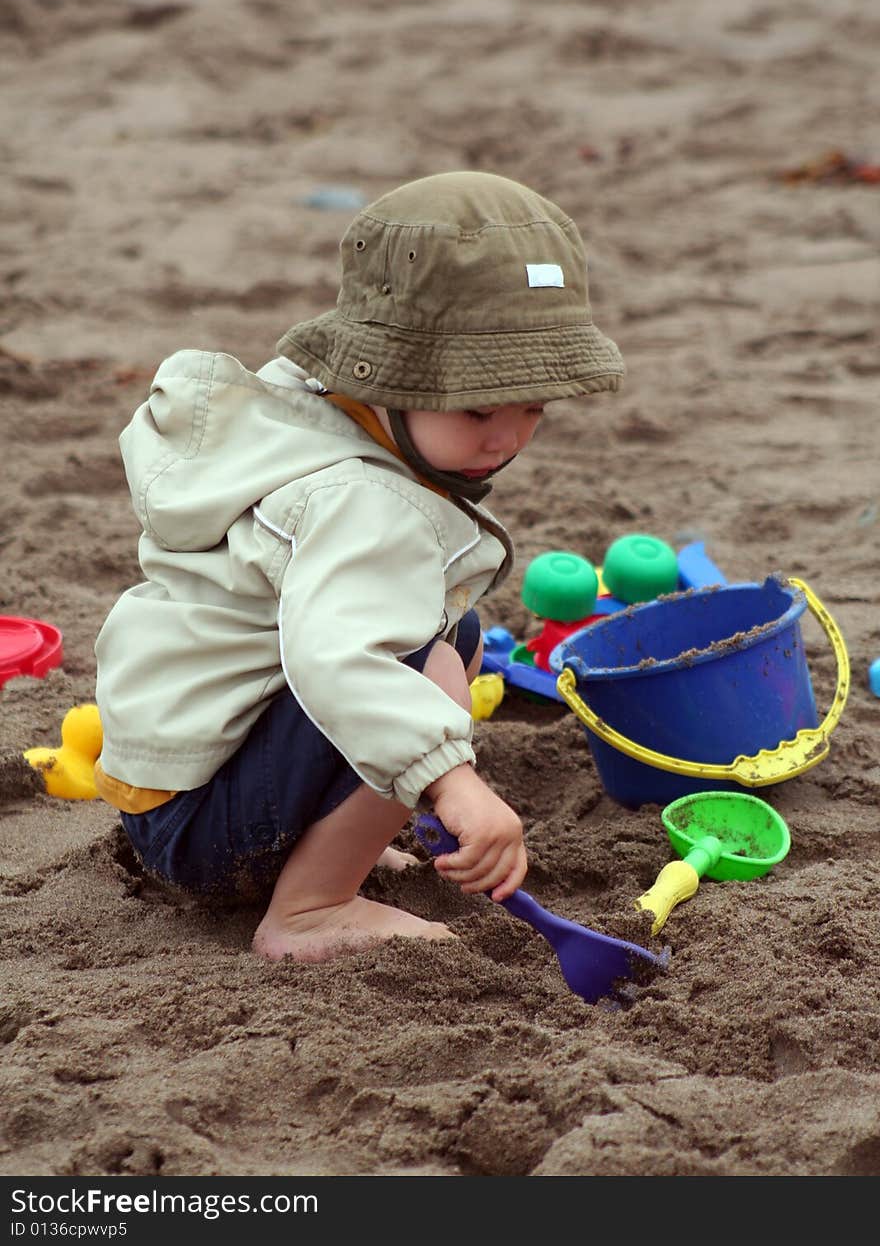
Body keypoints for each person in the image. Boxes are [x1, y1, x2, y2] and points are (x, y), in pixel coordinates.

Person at [93, 170, 624, 962]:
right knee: (418, 663)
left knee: (457, 633)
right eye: (479, 407)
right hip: (203, 827)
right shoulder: (369, 502)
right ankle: (308, 909)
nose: (506, 439)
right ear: (395, 378)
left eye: (534, 409)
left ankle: (331, 842)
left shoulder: (305, 407)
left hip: (178, 779)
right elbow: (341, 661)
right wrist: (454, 781)